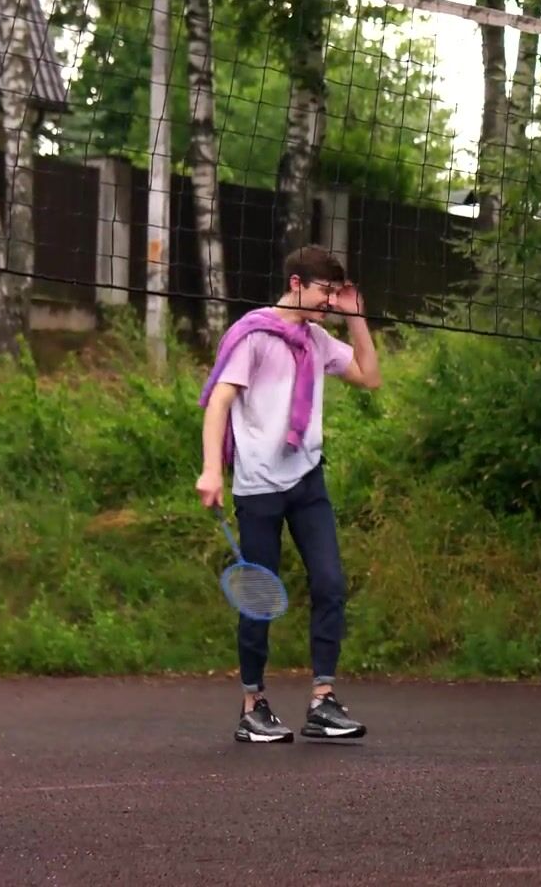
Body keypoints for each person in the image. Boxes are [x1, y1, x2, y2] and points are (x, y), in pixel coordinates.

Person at [196, 245, 382, 744]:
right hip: (258, 487)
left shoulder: (317, 340)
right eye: (326, 292)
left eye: (336, 294)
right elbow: (218, 402)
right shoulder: (254, 336)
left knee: (330, 583)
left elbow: (370, 377)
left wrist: (356, 318)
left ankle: (323, 701)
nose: (330, 302)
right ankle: (252, 706)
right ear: (297, 284)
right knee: (258, 597)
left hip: (306, 480)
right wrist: (212, 470)